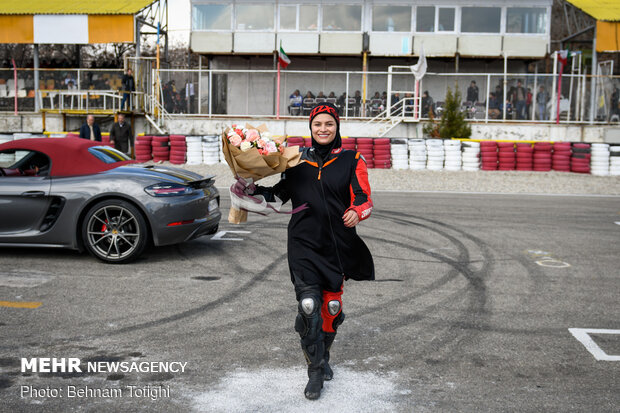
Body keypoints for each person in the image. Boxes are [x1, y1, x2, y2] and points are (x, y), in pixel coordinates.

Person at [246, 103, 374, 400]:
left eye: (328, 124)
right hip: (303, 244)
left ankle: (324, 354)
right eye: (318, 124)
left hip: (337, 247)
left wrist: (357, 211)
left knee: (331, 309)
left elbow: (365, 199)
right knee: (308, 306)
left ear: (337, 126)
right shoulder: (296, 159)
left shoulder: (353, 159)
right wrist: (250, 188)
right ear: (311, 128)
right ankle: (314, 372)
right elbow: (277, 195)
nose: (323, 129)